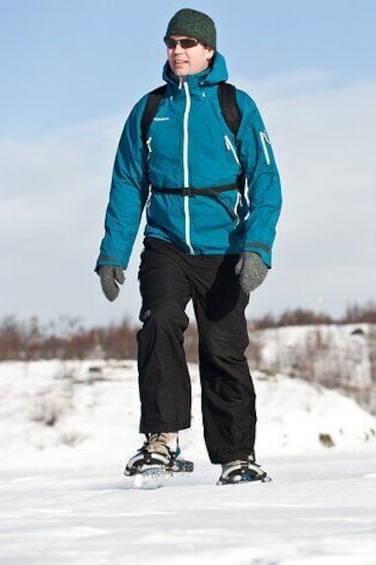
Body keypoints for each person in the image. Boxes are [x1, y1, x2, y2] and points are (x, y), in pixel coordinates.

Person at [95, 8, 282, 485]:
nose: (177, 51)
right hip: (165, 242)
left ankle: (237, 456)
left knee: (223, 348)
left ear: (209, 51)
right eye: (171, 42)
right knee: (159, 323)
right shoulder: (150, 109)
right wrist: (113, 253)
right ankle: (161, 439)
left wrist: (257, 247)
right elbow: (126, 184)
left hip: (223, 246)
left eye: (187, 43)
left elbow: (265, 181)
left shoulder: (234, 104)